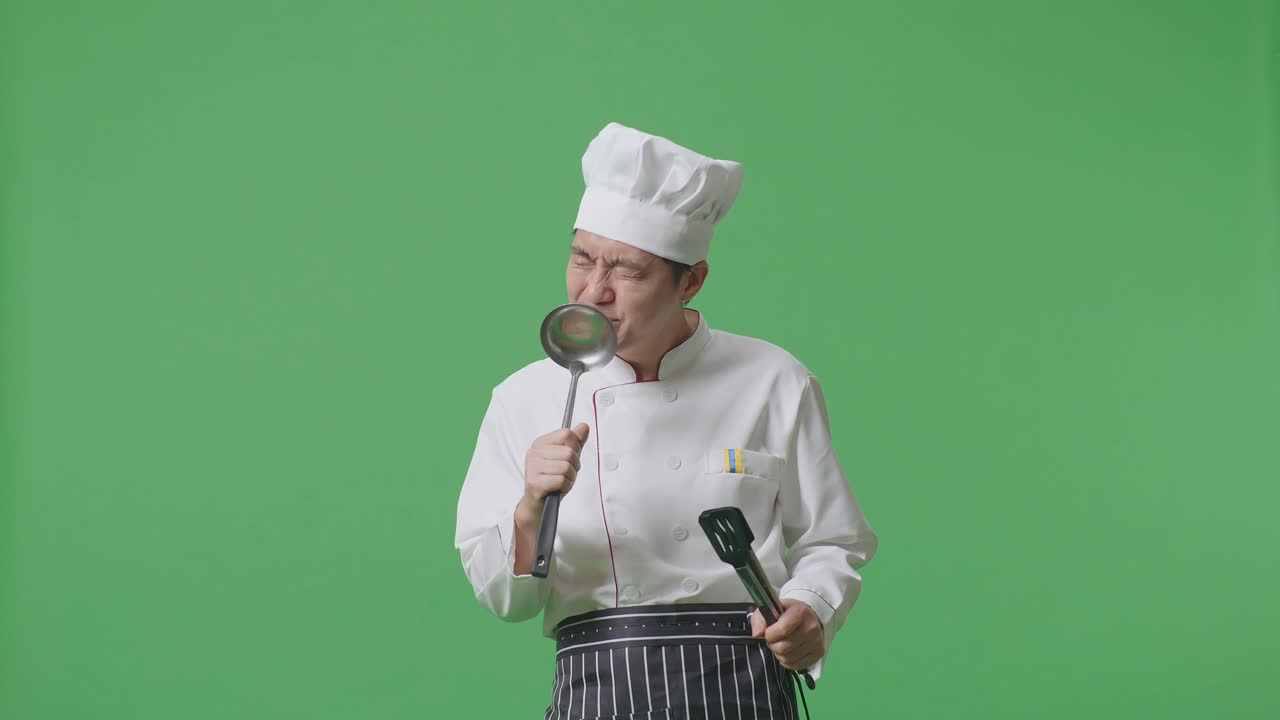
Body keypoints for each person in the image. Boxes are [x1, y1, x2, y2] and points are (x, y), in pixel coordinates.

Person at [455, 121, 878, 719]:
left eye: (628, 271)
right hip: (598, 687)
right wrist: (529, 508)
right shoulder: (524, 397)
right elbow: (507, 601)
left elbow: (834, 539)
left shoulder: (773, 380)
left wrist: (811, 607)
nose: (594, 291)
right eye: (581, 259)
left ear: (692, 280)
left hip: (743, 685)